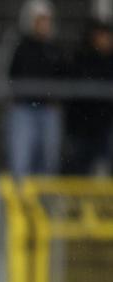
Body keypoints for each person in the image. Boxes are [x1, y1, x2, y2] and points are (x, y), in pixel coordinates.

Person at [3, 0, 67, 177]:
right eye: (40, 20)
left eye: (47, 20)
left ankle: (43, 201)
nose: (44, 25)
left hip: (48, 110)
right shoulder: (19, 46)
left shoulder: (54, 49)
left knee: (48, 160)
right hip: (23, 109)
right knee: (21, 160)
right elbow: (6, 73)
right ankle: (21, 200)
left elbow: (63, 77)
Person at [66, 19, 113, 174]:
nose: (106, 40)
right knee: (80, 166)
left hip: (105, 125)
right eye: (102, 36)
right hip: (83, 126)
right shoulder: (81, 58)